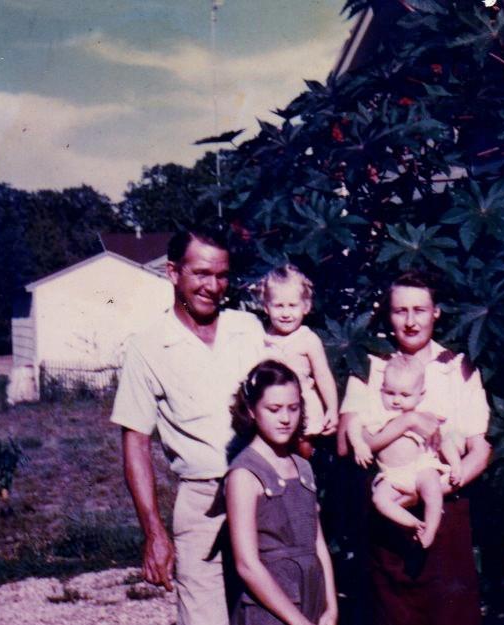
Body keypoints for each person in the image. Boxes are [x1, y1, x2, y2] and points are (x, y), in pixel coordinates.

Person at [110, 224, 265, 625]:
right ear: (173, 272)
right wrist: (154, 532)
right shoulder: (147, 347)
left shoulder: (248, 329)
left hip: (262, 494)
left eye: (222, 275)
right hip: (202, 503)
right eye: (201, 274)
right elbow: (135, 443)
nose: (213, 287)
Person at [337, 270, 491, 625]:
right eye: (400, 311)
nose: (410, 321)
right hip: (389, 517)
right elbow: (346, 445)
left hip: (446, 511)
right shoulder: (370, 364)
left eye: (419, 310)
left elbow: (480, 450)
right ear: (388, 315)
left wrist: (432, 490)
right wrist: (406, 422)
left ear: (436, 312)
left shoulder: (458, 366)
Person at [226, 360, 338, 625]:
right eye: (274, 409)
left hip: (312, 600)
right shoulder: (244, 474)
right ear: (252, 410)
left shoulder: (303, 467)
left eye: (293, 408)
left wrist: (331, 607)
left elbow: (318, 544)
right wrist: (297, 622)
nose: (286, 419)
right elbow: (247, 564)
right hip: (269, 610)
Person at [346, 356, 463, 548]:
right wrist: (359, 444)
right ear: (382, 389)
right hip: (392, 474)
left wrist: (456, 464)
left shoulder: (425, 415)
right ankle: (413, 523)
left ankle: (430, 530)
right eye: (389, 393)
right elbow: (353, 423)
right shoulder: (378, 413)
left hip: (421, 467)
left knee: (433, 491)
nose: (396, 400)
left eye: (405, 395)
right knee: (379, 500)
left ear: (421, 395)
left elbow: (444, 439)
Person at [259, 265, 339, 448]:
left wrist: (332, 408)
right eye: (278, 306)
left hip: (302, 405)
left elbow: (323, 375)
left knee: (303, 448)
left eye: (292, 306)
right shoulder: (263, 337)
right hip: (272, 406)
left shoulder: (308, 339)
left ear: (306, 307)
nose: (286, 314)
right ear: (266, 307)